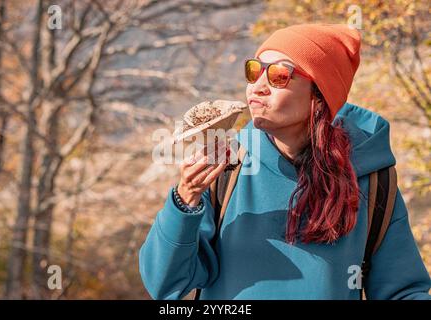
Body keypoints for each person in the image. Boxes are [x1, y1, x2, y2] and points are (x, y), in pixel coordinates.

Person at [139, 24, 431, 299]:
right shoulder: (225, 167)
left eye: (279, 76)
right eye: (254, 72)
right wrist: (186, 198)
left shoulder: (372, 178)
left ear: (320, 95)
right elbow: (165, 285)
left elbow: (403, 290)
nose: (258, 87)